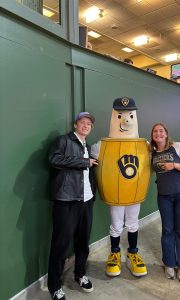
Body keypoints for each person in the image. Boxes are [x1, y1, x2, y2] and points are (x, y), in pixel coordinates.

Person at [91, 98, 148, 278]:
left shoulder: (145, 145)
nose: (126, 121)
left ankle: (132, 253)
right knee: (116, 224)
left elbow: (161, 154)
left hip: (134, 191)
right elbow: (86, 156)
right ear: (114, 117)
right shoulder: (100, 146)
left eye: (131, 115)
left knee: (132, 223)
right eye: (121, 116)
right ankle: (115, 253)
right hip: (116, 193)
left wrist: (176, 150)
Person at [47, 112, 98, 300]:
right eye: (83, 122)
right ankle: (54, 286)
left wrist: (93, 194)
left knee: (83, 242)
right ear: (75, 124)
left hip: (86, 201)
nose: (86, 126)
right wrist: (83, 162)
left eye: (89, 124)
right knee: (60, 245)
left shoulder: (88, 146)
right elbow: (54, 159)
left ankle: (80, 274)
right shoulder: (63, 140)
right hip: (67, 201)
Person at [149, 123, 180, 283]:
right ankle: (169, 264)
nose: (158, 133)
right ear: (152, 135)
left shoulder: (177, 146)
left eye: (161, 130)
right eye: (155, 131)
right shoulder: (152, 153)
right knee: (167, 231)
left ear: (166, 134)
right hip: (164, 197)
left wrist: (175, 165)